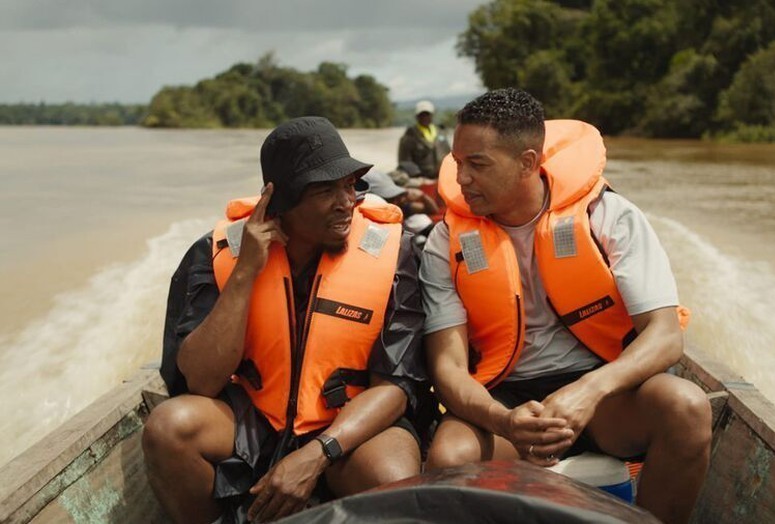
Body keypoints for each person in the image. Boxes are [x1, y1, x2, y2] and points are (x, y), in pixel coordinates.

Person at [419, 88, 711, 524]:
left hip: (606, 396)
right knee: (448, 458)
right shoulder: (446, 240)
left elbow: (665, 335)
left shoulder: (608, 216)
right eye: (458, 164)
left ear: (527, 162)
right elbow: (448, 369)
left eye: (478, 164)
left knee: (687, 408)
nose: (461, 180)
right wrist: (505, 421)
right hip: (508, 398)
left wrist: (587, 392)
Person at [144, 116, 430, 524]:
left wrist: (318, 453)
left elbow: (396, 387)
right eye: (325, 190)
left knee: (391, 477)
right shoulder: (215, 254)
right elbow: (202, 382)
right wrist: (245, 273)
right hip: (255, 421)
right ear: (279, 202)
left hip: (348, 426)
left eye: (350, 185)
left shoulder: (393, 254)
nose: (347, 202)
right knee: (168, 428)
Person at [397, 100, 451, 180]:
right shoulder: (409, 136)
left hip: (443, 177)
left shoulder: (441, 133)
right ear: (417, 116)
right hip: (421, 179)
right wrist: (418, 178)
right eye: (422, 115)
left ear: (432, 115)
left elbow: (449, 154)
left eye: (427, 114)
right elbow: (405, 162)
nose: (425, 117)